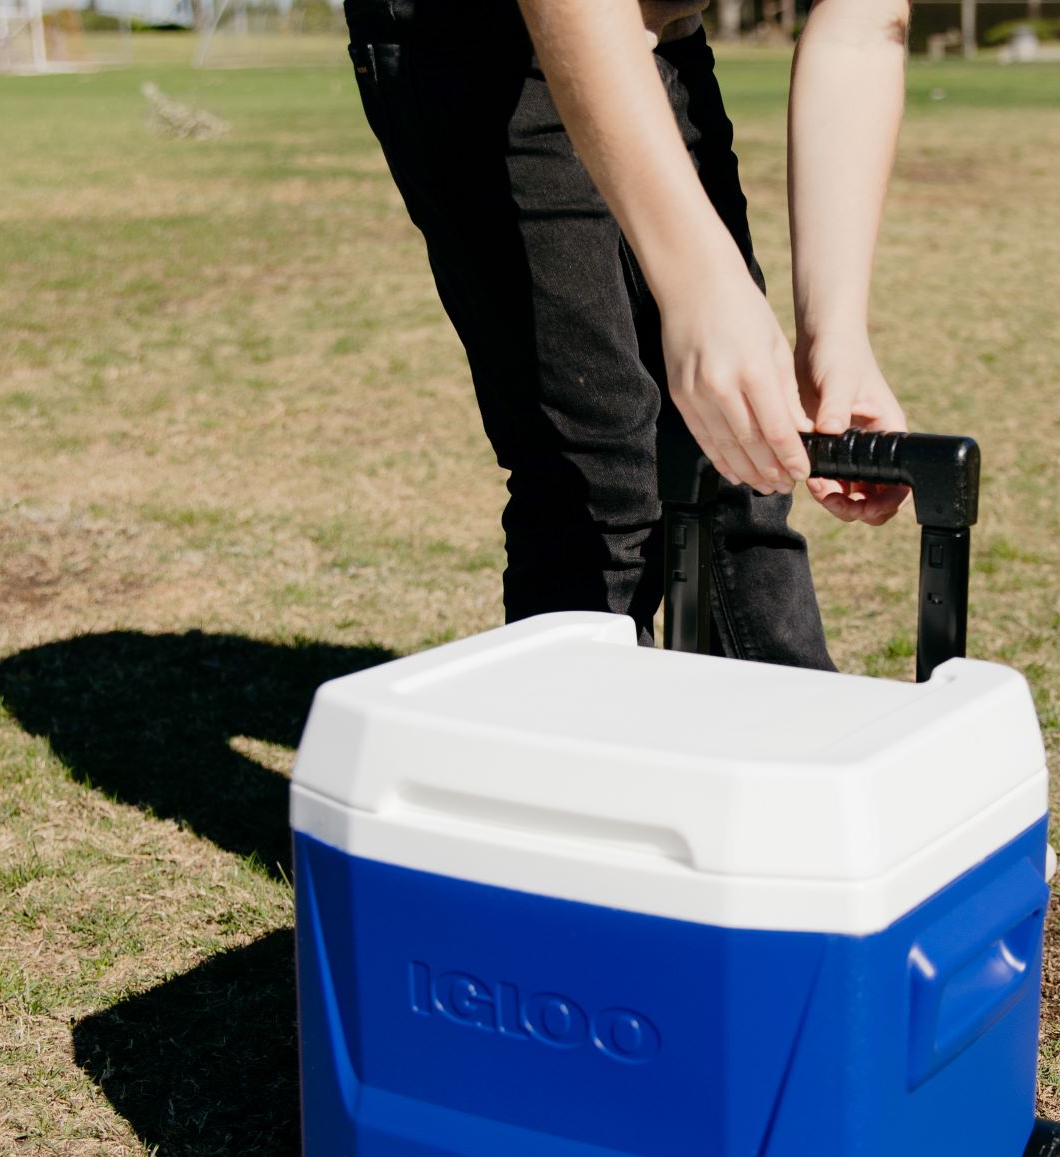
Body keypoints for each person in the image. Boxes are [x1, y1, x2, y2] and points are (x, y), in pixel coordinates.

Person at [343, 0, 915, 670]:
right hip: (483, 39)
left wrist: (834, 334)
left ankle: (783, 718)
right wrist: (700, 287)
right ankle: (580, 726)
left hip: (662, 34)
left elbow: (860, 30)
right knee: (596, 481)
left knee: (743, 449)